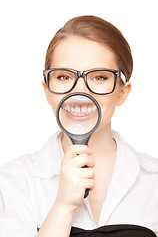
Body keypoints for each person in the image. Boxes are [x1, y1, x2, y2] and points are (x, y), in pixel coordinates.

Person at [0, 15, 158, 237]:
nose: (80, 92)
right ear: (47, 90)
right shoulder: (12, 182)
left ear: (123, 92)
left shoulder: (154, 182)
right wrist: (62, 207)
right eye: (64, 77)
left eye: (99, 77)